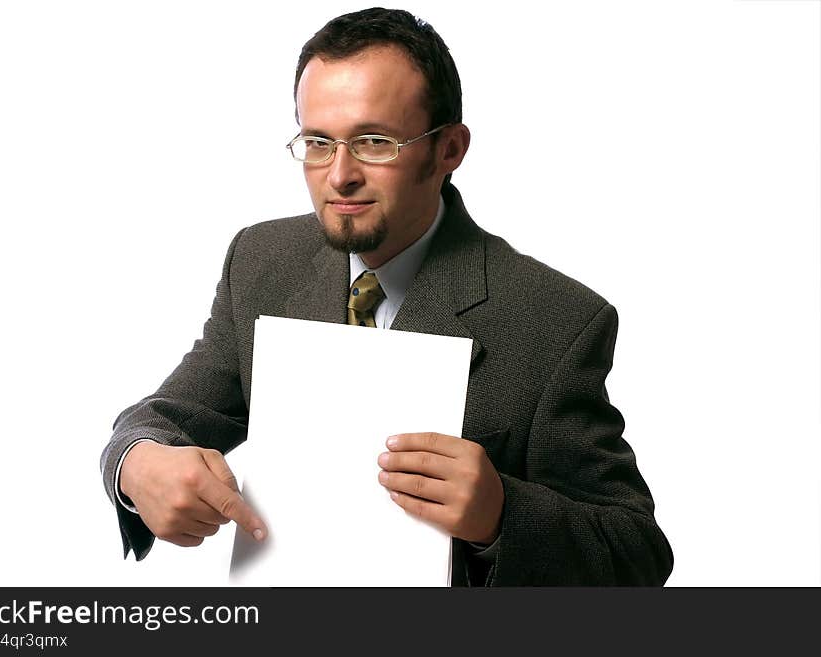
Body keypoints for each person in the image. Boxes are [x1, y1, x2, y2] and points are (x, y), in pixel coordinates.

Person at [100, 7, 673, 586]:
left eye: (374, 142)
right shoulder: (261, 261)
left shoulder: (556, 320)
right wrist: (136, 464)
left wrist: (501, 515)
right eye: (319, 142)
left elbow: (638, 555)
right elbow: (163, 417)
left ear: (449, 149)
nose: (339, 174)